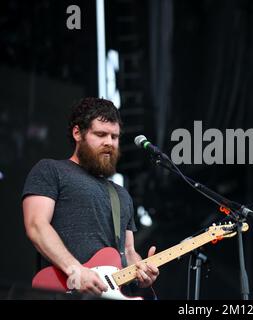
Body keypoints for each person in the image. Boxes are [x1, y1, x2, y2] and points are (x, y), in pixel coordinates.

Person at [22, 97, 159, 298]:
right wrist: (75, 270)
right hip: (64, 290)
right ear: (77, 133)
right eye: (101, 134)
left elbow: (128, 252)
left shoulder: (121, 194)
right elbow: (36, 225)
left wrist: (141, 271)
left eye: (114, 137)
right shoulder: (51, 170)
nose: (109, 143)